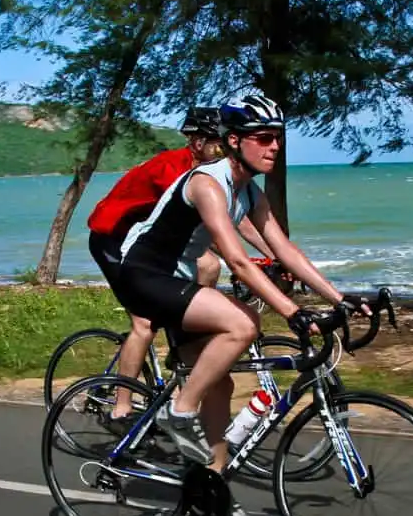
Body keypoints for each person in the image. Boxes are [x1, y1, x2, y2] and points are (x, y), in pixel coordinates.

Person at [111, 94, 371, 516]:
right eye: (263, 138)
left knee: (222, 383)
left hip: (177, 278)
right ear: (235, 141)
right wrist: (292, 311)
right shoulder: (207, 184)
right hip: (143, 273)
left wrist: (337, 298)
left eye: (278, 139)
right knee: (243, 322)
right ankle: (179, 411)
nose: (274, 147)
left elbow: (283, 248)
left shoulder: (248, 190)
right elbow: (237, 260)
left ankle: (211, 485)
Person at [87, 106, 276, 420]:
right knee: (144, 326)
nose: (225, 149)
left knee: (209, 267)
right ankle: (121, 407)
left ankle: (183, 331)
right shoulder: (175, 169)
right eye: (218, 143)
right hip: (113, 238)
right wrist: (242, 258)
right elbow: (208, 225)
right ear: (197, 143)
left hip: (151, 245)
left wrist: (271, 252)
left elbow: (238, 221)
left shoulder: (218, 176)